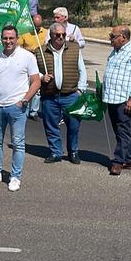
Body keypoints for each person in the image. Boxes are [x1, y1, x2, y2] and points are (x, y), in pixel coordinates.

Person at [0, 26, 40, 192]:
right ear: (1, 39)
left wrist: (25, 100)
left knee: (18, 143)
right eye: (5, 38)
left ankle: (15, 176)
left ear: (17, 38)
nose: (8, 41)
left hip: (16, 106)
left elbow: (36, 81)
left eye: (11, 38)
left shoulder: (27, 57)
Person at [37, 23, 88, 164]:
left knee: (73, 125)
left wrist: (80, 90)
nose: (61, 37)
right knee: (51, 125)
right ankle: (55, 152)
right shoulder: (40, 51)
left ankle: (73, 151)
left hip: (71, 95)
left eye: (63, 35)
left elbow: (82, 70)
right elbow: (33, 72)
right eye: (57, 35)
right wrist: (42, 77)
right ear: (51, 35)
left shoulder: (74, 49)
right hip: (49, 96)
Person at [103, 25, 131, 176]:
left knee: (123, 131)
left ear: (123, 37)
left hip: (124, 100)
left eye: (113, 36)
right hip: (111, 98)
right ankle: (129, 160)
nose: (110, 39)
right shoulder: (115, 52)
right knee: (120, 131)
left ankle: (118, 162)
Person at [19, 14, 48, 120]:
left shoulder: (45, 32)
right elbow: (19, 47)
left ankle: (34, 111)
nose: (37, 28)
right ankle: (25, 109)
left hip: (39, 62)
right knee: (26, 86)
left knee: (37, 87)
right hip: (26, 62)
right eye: (35, 26)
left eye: (38, 26)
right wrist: (29, 51)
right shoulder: (24, 32)